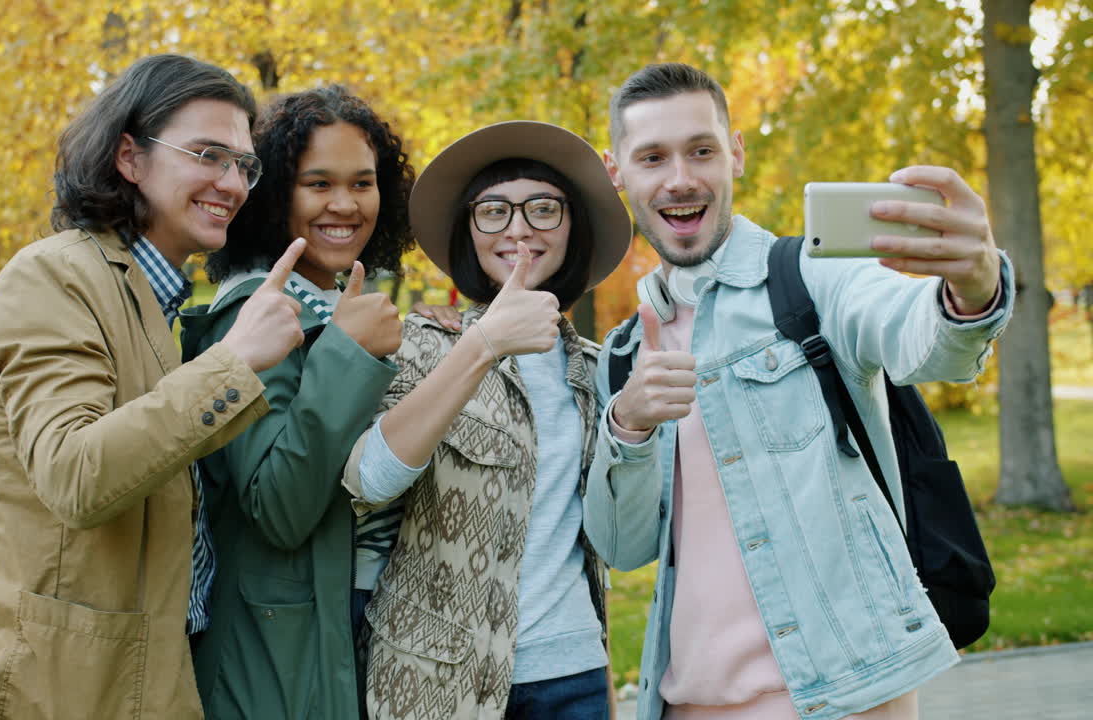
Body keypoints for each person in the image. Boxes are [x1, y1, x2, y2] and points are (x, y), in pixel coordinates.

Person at [583, 62, 1014, 720]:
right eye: (652, 157)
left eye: (702, 150)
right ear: (618, 173)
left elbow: (922, 336)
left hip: (848, 696)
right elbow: (623, 547)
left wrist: (973, 289)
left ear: (736, 154)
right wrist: (628, 427)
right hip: (687, 704)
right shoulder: (624, 351)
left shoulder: (810, 274)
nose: (680, 178)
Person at [0, 55, 307, 720]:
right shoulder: (53, 277)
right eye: (208, 154)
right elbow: (76, 475)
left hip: (145, 676)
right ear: (130, 157)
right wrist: (235, 362)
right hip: (48, 686)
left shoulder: (156, 297)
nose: (233, 182)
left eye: (244, 164)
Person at [341, 121, 687, 720]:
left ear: (572, 225)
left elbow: (620, 544)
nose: (519, 228)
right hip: (433, 680)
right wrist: (483, 346)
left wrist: (632, 425)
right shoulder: (420, 346)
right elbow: (368, 482)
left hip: (573, 673)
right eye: (494, 211)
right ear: (468, 229)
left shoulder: (601, 370)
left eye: (544, 209)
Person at [181, 85, 414, 720]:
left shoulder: (327, 301)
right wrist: (348, 356)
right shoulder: (255, 313)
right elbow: (278, 508)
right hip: (272, 667)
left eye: (363, 183)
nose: (345, 204)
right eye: (318, 184)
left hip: (333, 642)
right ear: (275, 193)